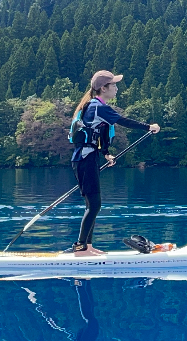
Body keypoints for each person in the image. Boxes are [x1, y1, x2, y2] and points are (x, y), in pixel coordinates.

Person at [69, 70, 160, 255]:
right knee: (94, 204)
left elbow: (99, 133)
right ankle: (80, 247)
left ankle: (88, 246)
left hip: (88, 158)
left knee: (92, 205)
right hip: (85, 160)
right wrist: (148, 127)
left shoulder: (95, 107)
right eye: (114, 85)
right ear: (103, 88)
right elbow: (123, 121)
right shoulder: (97, 106)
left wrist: (106, 154)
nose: (117, 88)